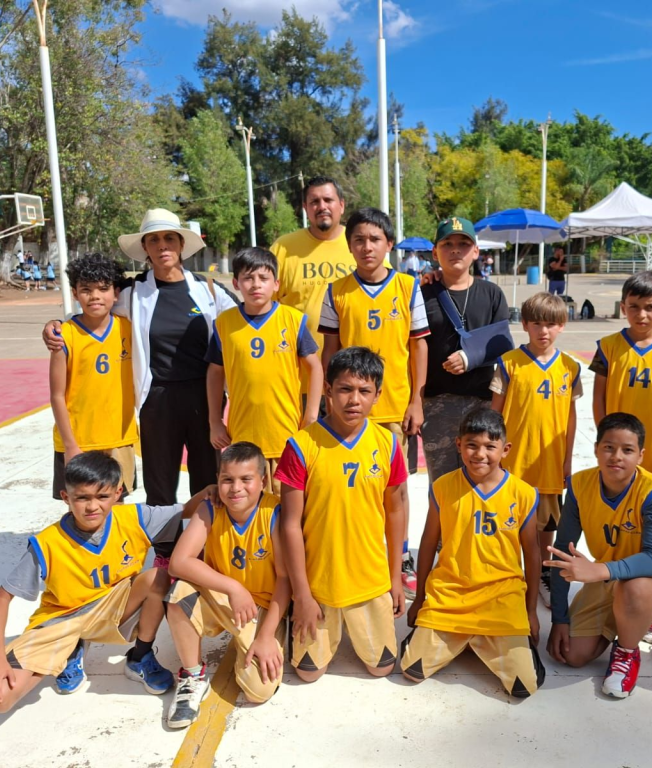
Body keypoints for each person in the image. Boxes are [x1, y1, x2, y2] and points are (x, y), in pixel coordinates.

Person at [43, 210, 239, 558]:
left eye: (168, 238)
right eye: (154, 240)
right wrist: (54, 325)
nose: (162, 246)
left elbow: (247, 317)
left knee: (207, 478)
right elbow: (92, 307)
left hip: (204, 400)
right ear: (145, 248)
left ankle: (206, 548)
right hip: (157, 400)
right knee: (160, 484)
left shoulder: (208, 290)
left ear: (181, 244)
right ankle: (165, 552)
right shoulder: (133, 293)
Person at [0, 452, 216, 713]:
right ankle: (70, 649)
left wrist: (207, 491)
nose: (92, 507)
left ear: (117, 493)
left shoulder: (134, 518)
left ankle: (140, 656)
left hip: (113, 608)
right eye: (82, 498)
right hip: (62, 619)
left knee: (158, 575)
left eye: (102, 496)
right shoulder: (46, 543)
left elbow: (185, 511)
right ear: (66, 497)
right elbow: (1, 598)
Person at [275, 346, 408, 682]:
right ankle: (297, 617)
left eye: (364, 391)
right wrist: (302, 594)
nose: (354, 400)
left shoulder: (388, 444)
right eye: (346, 389)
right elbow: (289, 525)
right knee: (308, 674)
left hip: (370, 580)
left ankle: (360, 619)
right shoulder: (301, 445)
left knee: (382, 669)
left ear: (377, 396)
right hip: (320, 583)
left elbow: (395, 512)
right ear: (329, 391)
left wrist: (393, 578)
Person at [319, 207, 429, 597]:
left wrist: (416, 400)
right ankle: (358, 555)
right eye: (359, 240)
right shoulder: (336, 291)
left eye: (375, 239)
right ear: (349, 246)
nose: (367, 247)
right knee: (351, 485)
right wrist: (328, 399)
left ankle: (399, 556)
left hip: (394, 409)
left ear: (390, 244)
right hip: (349, 410)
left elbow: (418, 346)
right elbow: (329, 352)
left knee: (395, 490)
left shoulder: (407, 286)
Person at [402, 407, 544, 698]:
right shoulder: (443, 487)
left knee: (524, 687)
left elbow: (532, 555)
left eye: (490, 446)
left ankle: (479, 639)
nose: (480, 454)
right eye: (472, 445)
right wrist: (419, 600)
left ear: (505, 449)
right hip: (452, 593)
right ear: (458, 445)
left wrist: (530, 611)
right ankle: (468, 638)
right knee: (411, 669)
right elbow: (428, 542)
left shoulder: (523, 493)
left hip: (501, 595)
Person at [546, 413, 652, 699]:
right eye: (608, 447)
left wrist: (598, 571)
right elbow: (561, 552)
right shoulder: (579, 486)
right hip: (609, 575)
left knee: (633, 589)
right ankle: (630, 618)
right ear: (596, 448)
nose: (616, 456)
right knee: (571, 655)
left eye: (627, 450)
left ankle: (627, 650)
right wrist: (559, 618)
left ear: (641, 455)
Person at [590, 271, 652, 632]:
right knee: (624, 523)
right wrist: (605, 445)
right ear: (623, 307)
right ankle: (629, 587)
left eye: (650, 307)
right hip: (620, 460)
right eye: (634, 307)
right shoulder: (609, 347)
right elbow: (599, 399)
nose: (642, 314)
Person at [165, 442, 291, 727]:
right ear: (217, 481)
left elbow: (285, 580)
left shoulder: (274, 513)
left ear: (263, 481)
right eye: (227, 480)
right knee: (178, 593)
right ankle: (193, 676)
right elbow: (179, 562)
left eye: (246, 479)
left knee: (258, 690)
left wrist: (266, 635)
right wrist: (233, 588)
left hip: (262, 607)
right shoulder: (210, 508)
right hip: (224, 598)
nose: (236, 488)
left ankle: (270, 637)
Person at [490, 292, 582, 606]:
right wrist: (493, 456)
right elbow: (495, 414)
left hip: (550, 461)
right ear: (525, 325)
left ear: (562, 326)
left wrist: (568, 459)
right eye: (537, 324)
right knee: (509, 520)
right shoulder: (509, 363)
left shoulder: (570, 367)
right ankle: (507, 573)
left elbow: (571, 418)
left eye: (551, 324)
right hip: (514, 461)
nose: (544, 331)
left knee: (547, 525)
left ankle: (543, 571)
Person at [206, 247, 322, 492]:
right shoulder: (224, 324)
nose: (255, 285)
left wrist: (311, 414)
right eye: (248, 278)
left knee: (287, 509)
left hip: (285, 434)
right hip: (243, 437)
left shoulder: (292, 320)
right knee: (249, 507)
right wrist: (215, 420)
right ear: (236, 283)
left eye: (263, 278)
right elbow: (216, 373)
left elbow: (315, 368)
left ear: (276, 283)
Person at [421, 217, 512, 482]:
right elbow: (413, 348)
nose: (455, 250)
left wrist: (470, 356)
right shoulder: (422, 292)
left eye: (463, 244)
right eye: (447, 243)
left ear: (475, 252)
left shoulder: (492, 293)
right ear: (436, 252)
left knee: (482, 480)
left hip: (482, 401)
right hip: (436, 403)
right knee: (441, 484)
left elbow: (503, 342)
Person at [49, 253, 138, 501]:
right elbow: (57, 396)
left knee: (116, 505)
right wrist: (70, 446)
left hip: (119, 438)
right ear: (75, 293)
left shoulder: (129, 328)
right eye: (86, 289)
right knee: (81, 507)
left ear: (116, 292)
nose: (95, 296)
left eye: (103, 288)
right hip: (78, 441)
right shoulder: (64, 336)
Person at [271, 176, 354, 373]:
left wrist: (428, 279)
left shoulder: (360, 244)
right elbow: (263, 308)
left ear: (341, 205)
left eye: (328, 200)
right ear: (305, 208)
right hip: (296, 375)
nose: (321, 206)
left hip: (351, 378)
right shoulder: (283, 248)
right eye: (314, 202)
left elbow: (387, 285)